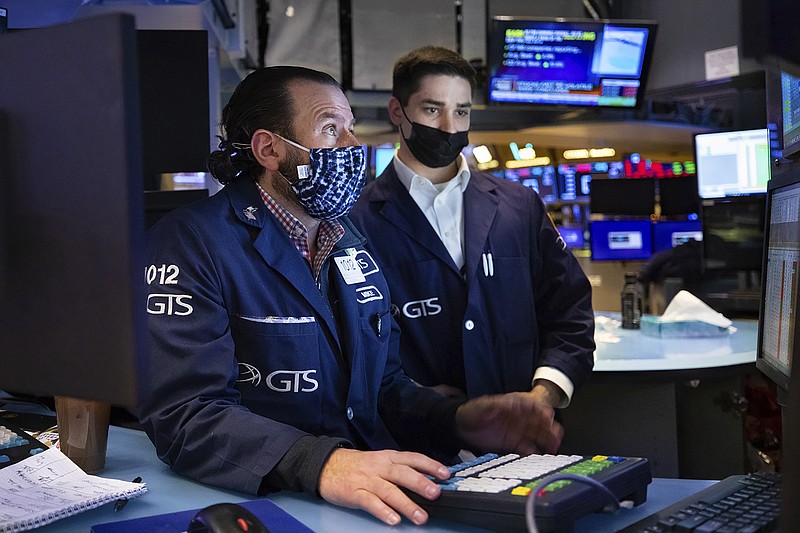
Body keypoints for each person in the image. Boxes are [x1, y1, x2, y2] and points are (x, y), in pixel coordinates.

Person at [139, 65, 565, 527]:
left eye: (349, 128)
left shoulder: (349, 242)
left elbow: (383, 388)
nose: (351, 146)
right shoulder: (195, 241)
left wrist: (457, 417)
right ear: (269, 148)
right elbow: (185, 417)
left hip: (363, 495)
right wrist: (321, 462)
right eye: (329, 129)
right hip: (274, 500)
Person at [349, 46, 595, 411]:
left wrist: (543, 395)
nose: (450, 127)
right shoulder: (354, 223)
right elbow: (354, 345)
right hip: (416, 445)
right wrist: (424, 405)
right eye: (432, 109)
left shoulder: (520, 207)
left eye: (461, 111)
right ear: (397, 111)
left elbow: (570, 312)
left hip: (525, 441)